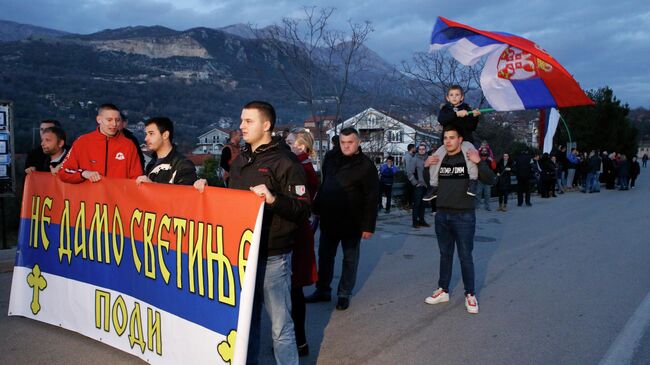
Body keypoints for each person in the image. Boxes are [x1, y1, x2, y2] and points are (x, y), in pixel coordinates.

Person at [195, 101, 309, 365]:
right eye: (242, 121)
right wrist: (207, 187)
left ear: (266, 125)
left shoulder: (286, 162)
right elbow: (232, 200)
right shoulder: (241, 160)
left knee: (280, 326)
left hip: (273, 256)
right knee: (248, 322)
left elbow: (303, 210)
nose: (241, 126)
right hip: (243, 255)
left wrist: (272, 199)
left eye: (248, 121)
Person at [423, 125, 495, 314]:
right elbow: (429, 181)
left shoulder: (469, 157)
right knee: (445, 255)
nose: (447, 141)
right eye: (445, 137)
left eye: (452, 137)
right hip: (442, 214)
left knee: (465, 256)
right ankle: (443, 290)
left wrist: (479, 162)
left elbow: (490, 179)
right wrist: (426, 166)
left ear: (460, 139)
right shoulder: (441, 158)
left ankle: (470, 294)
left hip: (464, 215)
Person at [306, 127, 379, 311]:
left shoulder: (366, 165)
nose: (346, 146)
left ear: (358, 142)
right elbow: (325, 183)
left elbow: (372, 197)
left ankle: (344, 293)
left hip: (352, 221)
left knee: (349, 259)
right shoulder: (331, 157)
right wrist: (317, 207)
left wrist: (368, 226)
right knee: (325, 256)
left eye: (350, 142)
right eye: (343, 142)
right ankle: (322, 289)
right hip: (329, 218)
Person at [283, 128, 319, 357]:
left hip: (296, 232)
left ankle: (298, 341)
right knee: (289, 290)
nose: (285, 146)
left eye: (289, 142)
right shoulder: (300, 167)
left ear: (302, 146)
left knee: (293, 289)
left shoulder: (304, 169)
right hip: (297, 231)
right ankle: (296, 341)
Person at [423, 85, 481, 201]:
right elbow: (442, 120)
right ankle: (434, 186)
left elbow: (471, 127)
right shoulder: (445, 109)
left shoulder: (467, 108)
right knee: (435, 158)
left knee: (471, 155)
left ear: (462, 97)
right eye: (451, 95)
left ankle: (473, 181)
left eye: (457, 95)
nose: (454, 97)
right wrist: (456, 114)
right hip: (448, 142)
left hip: (464, 140)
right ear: (447, 97)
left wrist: (474, 117)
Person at [58, 103, 143, 183]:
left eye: (117, 120)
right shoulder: (82, 142)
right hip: (89, 197)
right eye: (109, 120)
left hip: (117, 198)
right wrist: (83, 173)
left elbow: (136, 177)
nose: (114, 124)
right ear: (99, 119)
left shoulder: (128, 145)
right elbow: (64, 171)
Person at [135, 117, 197, 186]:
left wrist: (152, 186)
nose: (146, 138)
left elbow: (185, 194)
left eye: (151, 134)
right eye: (146, 134)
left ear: (165, 135)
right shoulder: (151, 164)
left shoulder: (182, 165)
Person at [408, 143, 429, 227]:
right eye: (420, 149)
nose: (421, 150)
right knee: (417, 204)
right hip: (418, 185)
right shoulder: (414, 159)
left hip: (426, 185)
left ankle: (422, 220)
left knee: (423, 204)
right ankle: (415, 222)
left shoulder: (428, 159)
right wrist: (415, 182)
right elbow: (409, 172)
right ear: (418, 150)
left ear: (425, 150)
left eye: (423, 149)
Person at [402, 143, 416, 209]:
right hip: (409, 176)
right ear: (412, 148)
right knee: (408, 191)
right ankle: (407, 205)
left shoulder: (411, 156)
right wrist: (410, 177)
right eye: (414, 148)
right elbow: (407, 167)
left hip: (410, 176)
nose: (415, 149)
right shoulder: (408, 156)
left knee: (411, 191)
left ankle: (410, 204)